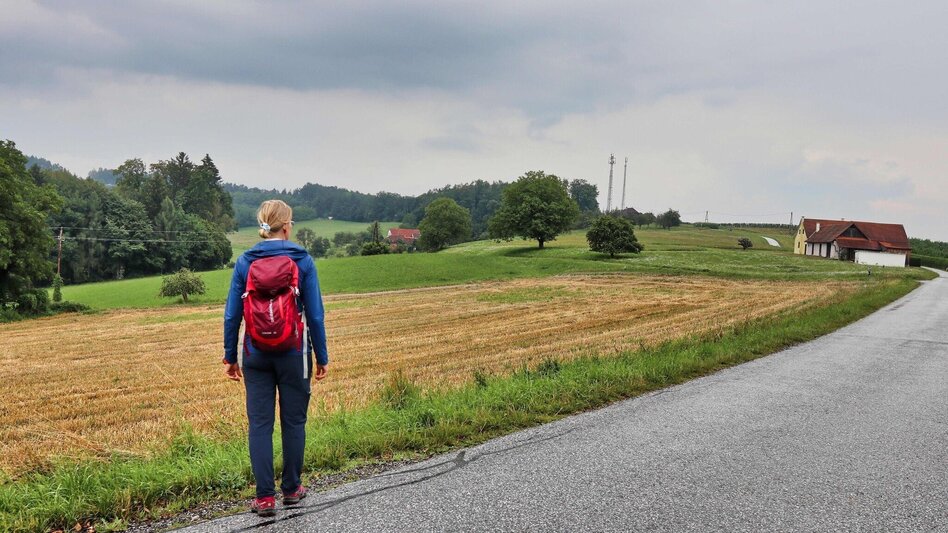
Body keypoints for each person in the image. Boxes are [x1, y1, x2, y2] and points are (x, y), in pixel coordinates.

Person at [222, 199, 329, 517]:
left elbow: (232, 314)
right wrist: (321, 356)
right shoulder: (303, 260)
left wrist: (231, 356)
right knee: (294, 421)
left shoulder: (244, 261)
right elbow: (316, 315)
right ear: (287, 226)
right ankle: (293, 489)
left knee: (259, 424)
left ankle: (265, 498)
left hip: (255, 353)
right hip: (294, 354)